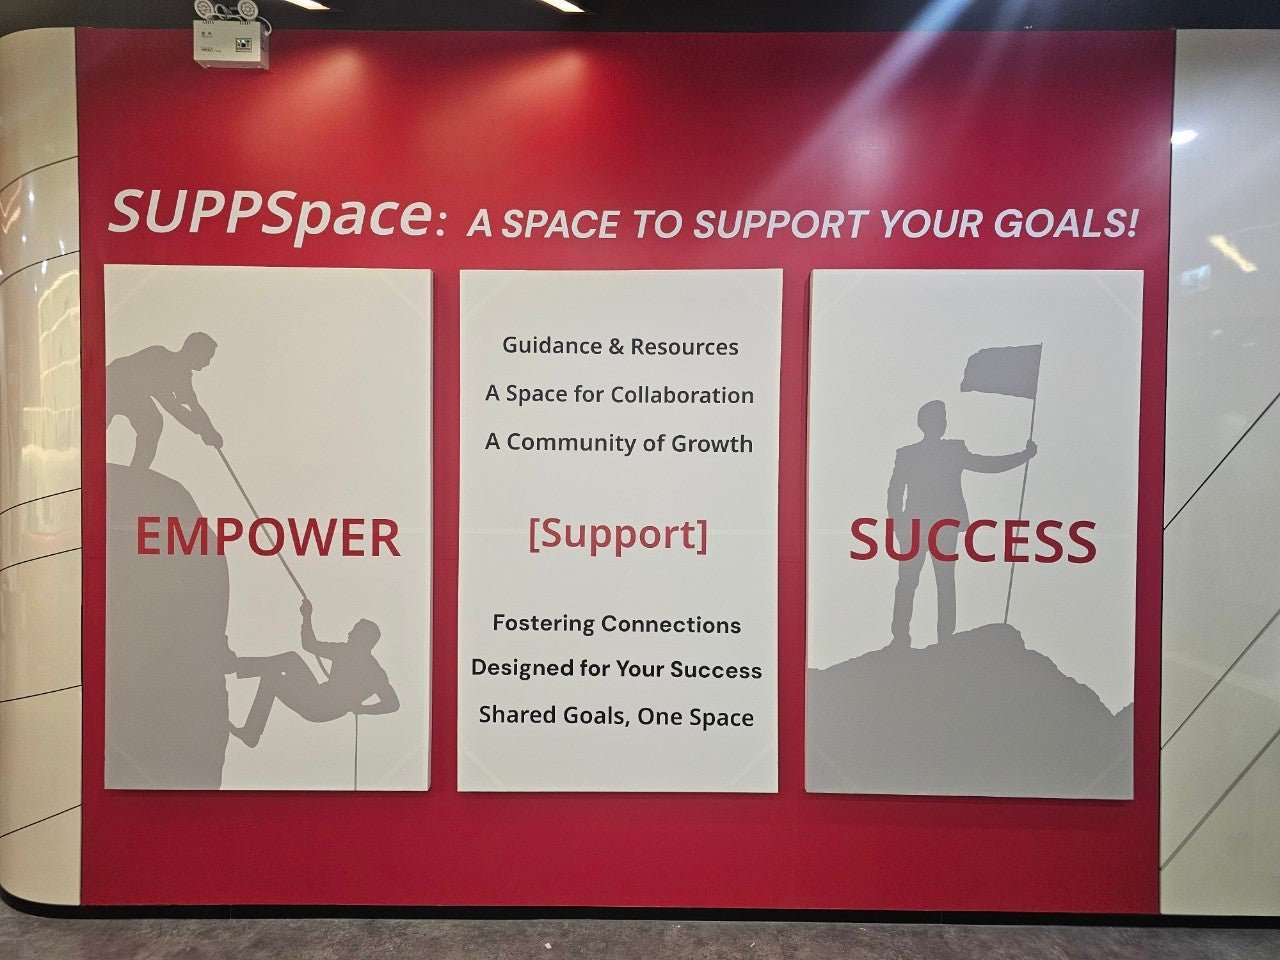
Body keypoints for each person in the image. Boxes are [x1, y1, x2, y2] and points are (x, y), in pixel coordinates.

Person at [887, 400, 1036, 648]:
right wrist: (898, 524)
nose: (943, 423)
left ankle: (942, 639)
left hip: (941, 528)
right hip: (916, 528)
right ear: (925, 423)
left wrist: (1023, 456)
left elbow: (987, 465)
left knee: (939, 582)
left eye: (943, 419)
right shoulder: (909, 455)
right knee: (911, 582)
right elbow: (894, 493)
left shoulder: (951, 451)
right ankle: (902, 638)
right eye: (939, 419)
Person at [230, 599, 399, 749]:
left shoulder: (360, 662)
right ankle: (250, 731)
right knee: (276, 674)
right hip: (318, 700)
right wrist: (307, 616)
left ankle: (234, 667)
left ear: (362, 639)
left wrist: (362, 709)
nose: (349, 634)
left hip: (317, 704)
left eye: (354, 631)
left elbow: (392, 704)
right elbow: (392, 704)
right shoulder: (363, 663)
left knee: (287, 664)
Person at [106, 332, 222, 469]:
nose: (207, 363)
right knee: (151, 421)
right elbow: (173, 407)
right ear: (194, 351)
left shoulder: (183, 378)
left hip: (133, 397)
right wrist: (204, 431)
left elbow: (194, 406)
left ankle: (138, 471)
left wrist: (209, 431)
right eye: (207, 357)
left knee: (152, 423)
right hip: (111, 385)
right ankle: (134, 470)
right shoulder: (159, 356)